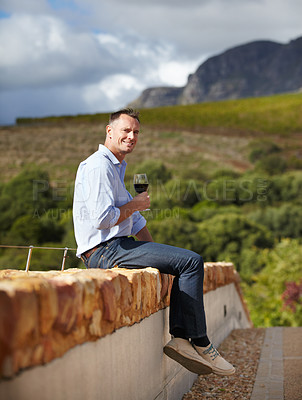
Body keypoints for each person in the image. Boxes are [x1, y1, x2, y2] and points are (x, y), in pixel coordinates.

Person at [73, 108, 235, 376]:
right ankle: (200, 343)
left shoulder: (115, 168)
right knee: (192, 261)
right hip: (104, 251)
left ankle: (184, 340)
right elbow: (102, 218)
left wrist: (160, 255)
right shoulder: (98, 165)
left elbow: (136, 223)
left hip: (115, 247)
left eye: (136, 132)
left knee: (183, 262)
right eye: (126, 130)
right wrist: (136, 204)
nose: (132, 136)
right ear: (109, 131)